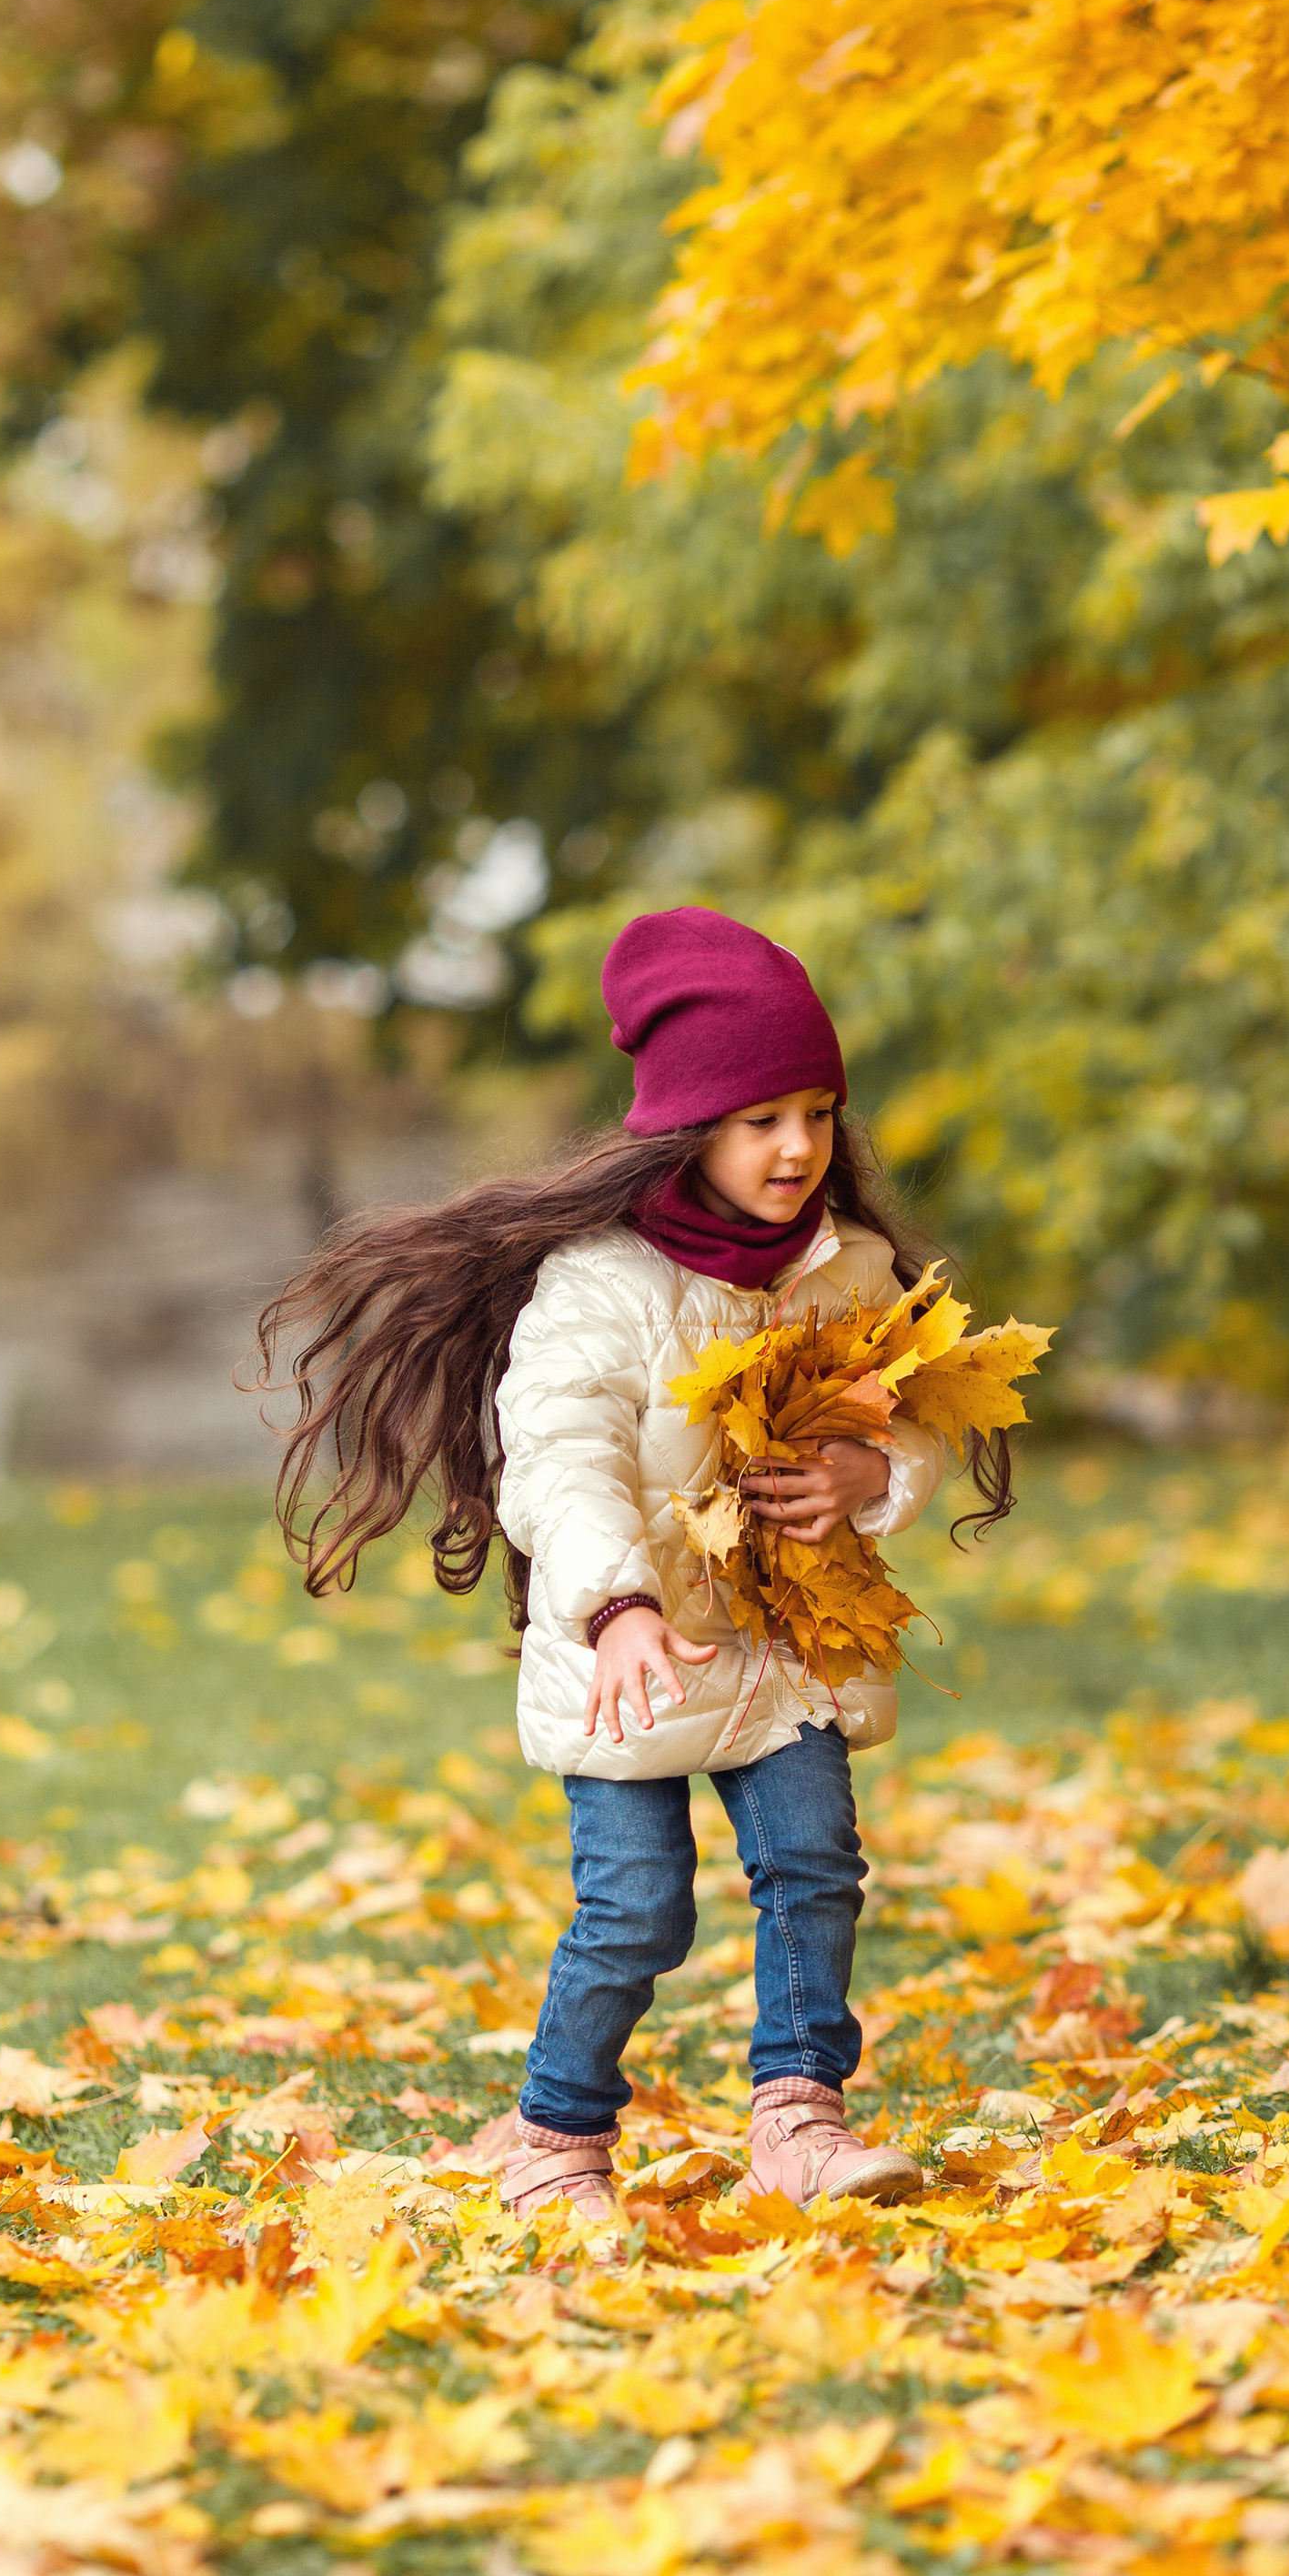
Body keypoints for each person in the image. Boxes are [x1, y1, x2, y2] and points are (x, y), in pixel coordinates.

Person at [258, 906, 1014, 2224]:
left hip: (785, 1646)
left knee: (816, 1872)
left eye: (818, 1115)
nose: (797, 1148)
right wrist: (615, 1605)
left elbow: (908, 1413)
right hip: (634, 1652)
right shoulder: (598, 1286)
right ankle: (554, 2136)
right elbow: (559, 1457)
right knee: (637, 1912)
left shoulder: (848, 1269)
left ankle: (799, 2119)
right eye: (761, 1119)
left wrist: (872, 1476)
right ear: (689, 1128)